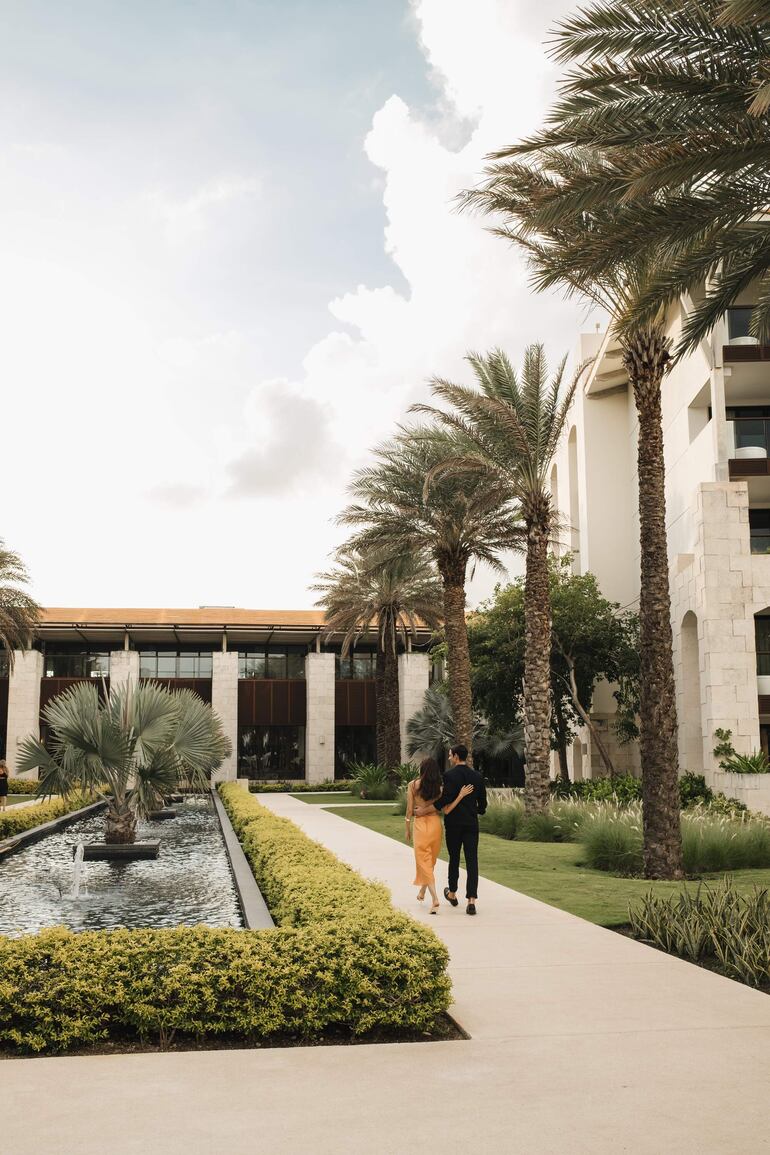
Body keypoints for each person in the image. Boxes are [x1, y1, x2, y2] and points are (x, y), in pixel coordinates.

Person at [417, 743, 487, 915]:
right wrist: (474, 810)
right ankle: (471, 900)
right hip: (471, 824)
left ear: (456, 756)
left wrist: (422, 811)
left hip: (454, 824)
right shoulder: (477, 777)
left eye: (450, 755)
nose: (449, 757)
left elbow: (442, 802)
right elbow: (483, 805)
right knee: (472, 861)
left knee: (454, 858)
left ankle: (453, 893)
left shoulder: (449, 776)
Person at [405, 756, 473, 915]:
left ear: (421, 769)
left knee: (423, 861)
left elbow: (409, 811)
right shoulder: (440, 789)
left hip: (420, 826)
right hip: (435, 825)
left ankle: (435, 899)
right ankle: (422, 892)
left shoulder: (413, 785)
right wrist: (460, 795)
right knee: (430, 861)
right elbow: (443, 808)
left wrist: (407, 827)